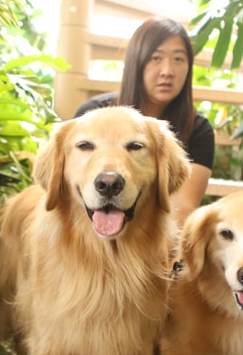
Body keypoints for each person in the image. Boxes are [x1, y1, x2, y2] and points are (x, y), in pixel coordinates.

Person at [74, 16, 214, 225]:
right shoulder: (93, 115)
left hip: (158, 242)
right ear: (136, 62)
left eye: (178, 59)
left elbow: (183, 207)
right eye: (155, 58)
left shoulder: (198, 129)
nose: (167, 71)